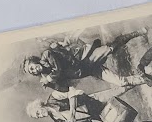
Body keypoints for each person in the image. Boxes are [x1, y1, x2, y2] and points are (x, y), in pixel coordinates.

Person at [22, 31, 150, 91]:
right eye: (32, 72)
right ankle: (147, 78)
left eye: (32, 67)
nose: (34, 70)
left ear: (34, 61)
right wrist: (51, 85)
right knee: (121, 82)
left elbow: (58, 69)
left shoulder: (47, 55)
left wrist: (49, 79)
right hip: (89, 70)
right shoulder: (48, 76)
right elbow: (65, 89)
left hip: (87, 58)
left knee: (111, 48)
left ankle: (137, 33)